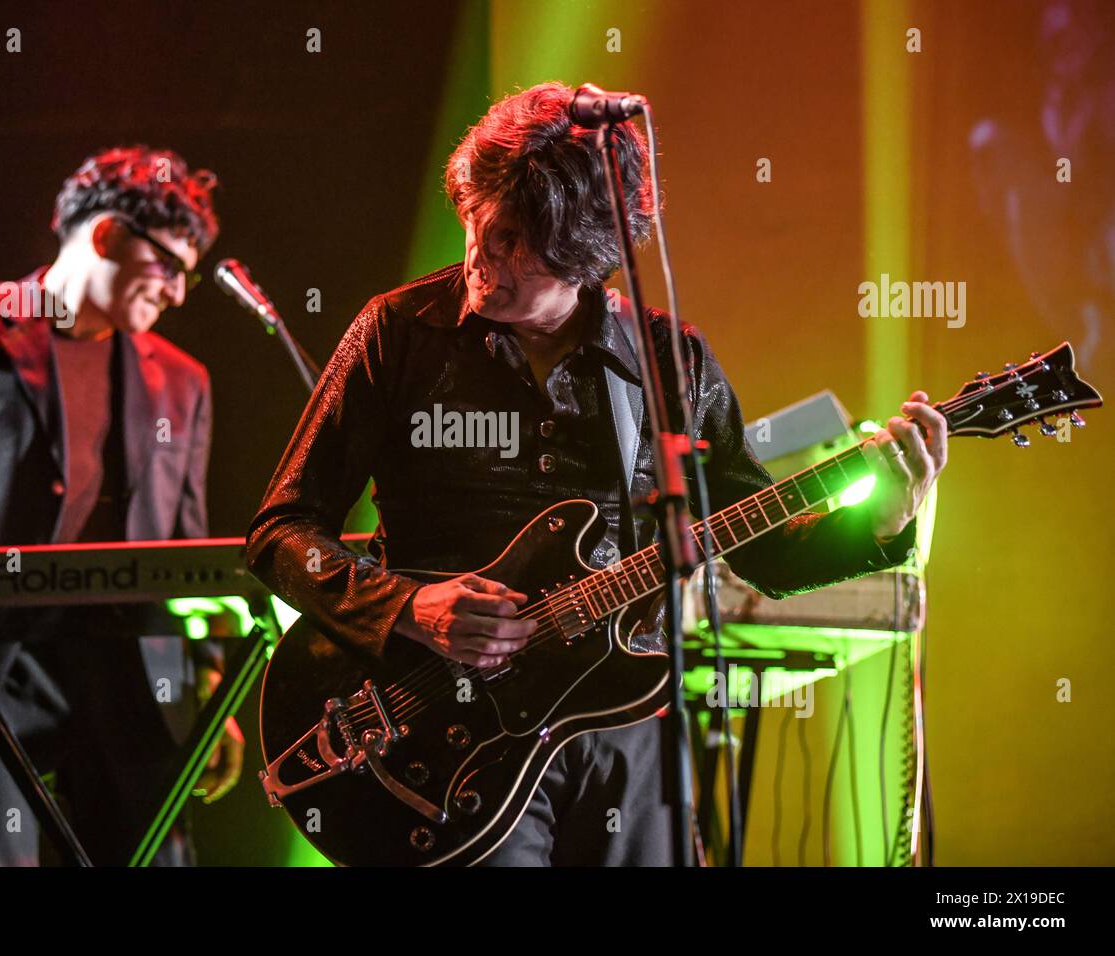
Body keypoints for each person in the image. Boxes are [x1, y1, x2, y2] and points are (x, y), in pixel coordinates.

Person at [245, 83, 947, 865]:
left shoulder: (667, 361)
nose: (479, 255)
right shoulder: (400, 333)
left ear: (583, 252)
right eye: (475, 222)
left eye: (511, 240)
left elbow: (760, 546)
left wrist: (883, 521)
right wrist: (411, 606)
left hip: (622, 723)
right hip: (447, 730)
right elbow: (280, 531)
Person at [0, 146, 243, 866]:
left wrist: (208, 680)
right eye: (170, 267)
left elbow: (190, 549)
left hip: (131, 665)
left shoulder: (183, 380)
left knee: (154, 857)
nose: (179, 294)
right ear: (106, 236)